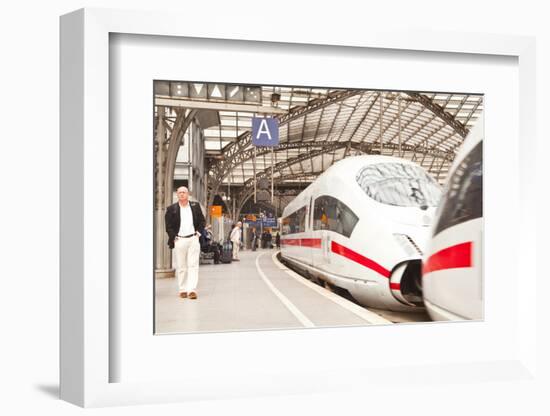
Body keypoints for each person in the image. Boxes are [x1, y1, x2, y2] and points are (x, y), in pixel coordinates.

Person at [164, 186, 206, 300]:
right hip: (180, 240)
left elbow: (202, 221)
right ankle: (182, 289)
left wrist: (198, 234)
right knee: (182, 266)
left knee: (193, 265)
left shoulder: (195, 206)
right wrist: (174, 237)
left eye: (184, 192)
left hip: (193, 239)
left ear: (188, 194)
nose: (182, 194)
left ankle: (191, 290)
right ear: (177, 195)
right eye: (180, 192)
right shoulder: (171, 209)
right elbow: (168, 226)